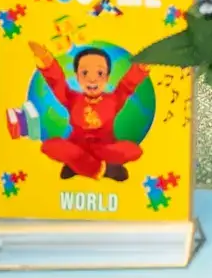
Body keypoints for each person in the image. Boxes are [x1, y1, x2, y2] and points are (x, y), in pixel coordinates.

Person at [28, 42, 149, 181]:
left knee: (133, 151)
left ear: (107, 77)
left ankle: (79, 166)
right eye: (85, 73)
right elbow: (57, 83)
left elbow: (127, 84)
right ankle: (103, 169)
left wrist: (140, 68)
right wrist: (46, 61)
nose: (92, 79)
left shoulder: (114, 100)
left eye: (99, 73)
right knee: (50, 146)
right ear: (77, 77)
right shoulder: (72, 98)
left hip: (105, 149)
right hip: (77, 148)